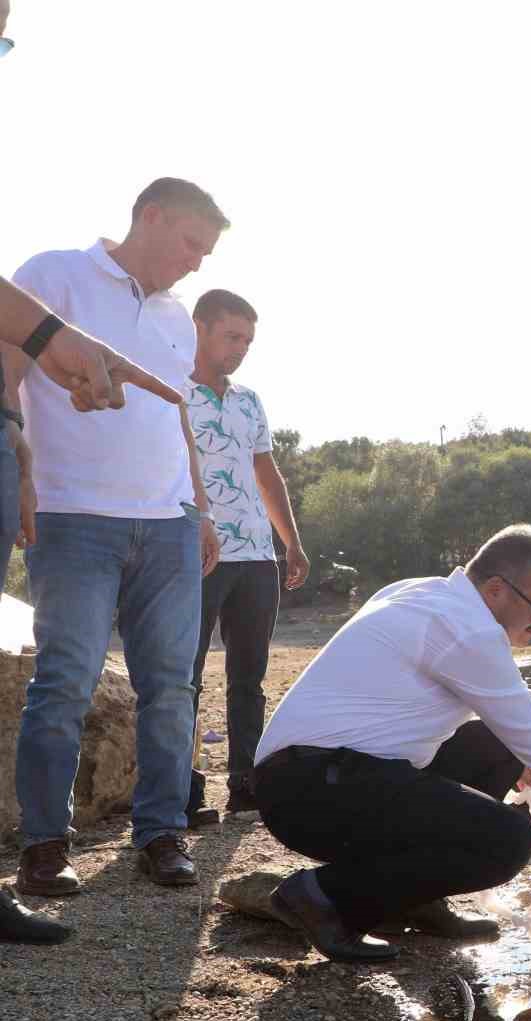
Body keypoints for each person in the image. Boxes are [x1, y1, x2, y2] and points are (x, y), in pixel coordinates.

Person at [253, 523, 531, 963]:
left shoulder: (424, 591)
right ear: (495, 590)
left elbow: (517, 735)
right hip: (308, 790)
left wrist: (522, 755)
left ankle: (410, 899)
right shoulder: (468, 632)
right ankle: (323, 898)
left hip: (315, 775)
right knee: (504, 841)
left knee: (499, 744)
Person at [1, 177, 225, 906]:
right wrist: (19, 462)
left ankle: (160, 833)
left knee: (172, 688)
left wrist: (198, 507)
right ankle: (44, 845)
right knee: (63, 682)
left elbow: (176, 415)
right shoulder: (52, 274)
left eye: (207, 252)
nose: (197, 262)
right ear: (149, 216)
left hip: (167, 526)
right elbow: (8, 371)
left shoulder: (180, 318)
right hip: (71, 518)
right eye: (192, 242)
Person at [184, 289, 308, 821]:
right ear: (200, 328)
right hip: (193, 550)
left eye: (248, 341)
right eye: (232, 336)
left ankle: (245, 785)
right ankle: (182, 792)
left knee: (248, 675)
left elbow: (266, 473)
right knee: (183, 676)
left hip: (257, 555)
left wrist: (291, 542)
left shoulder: (248, 400)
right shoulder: (169, 391)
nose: (240, 349)